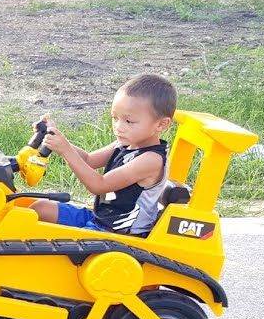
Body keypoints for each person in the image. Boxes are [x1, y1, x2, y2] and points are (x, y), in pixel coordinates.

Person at [31, 72, 176, 236]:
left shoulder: (151, 160)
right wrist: (56, 137)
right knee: (39, 209)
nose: (119, 127)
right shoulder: (124, 143)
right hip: (99, 220)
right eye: (115, 118)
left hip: (119, 235)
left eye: (129, 121)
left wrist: (65, 149)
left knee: (55, 243)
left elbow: (99, 185)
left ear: (161, 124)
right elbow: (88, 160)